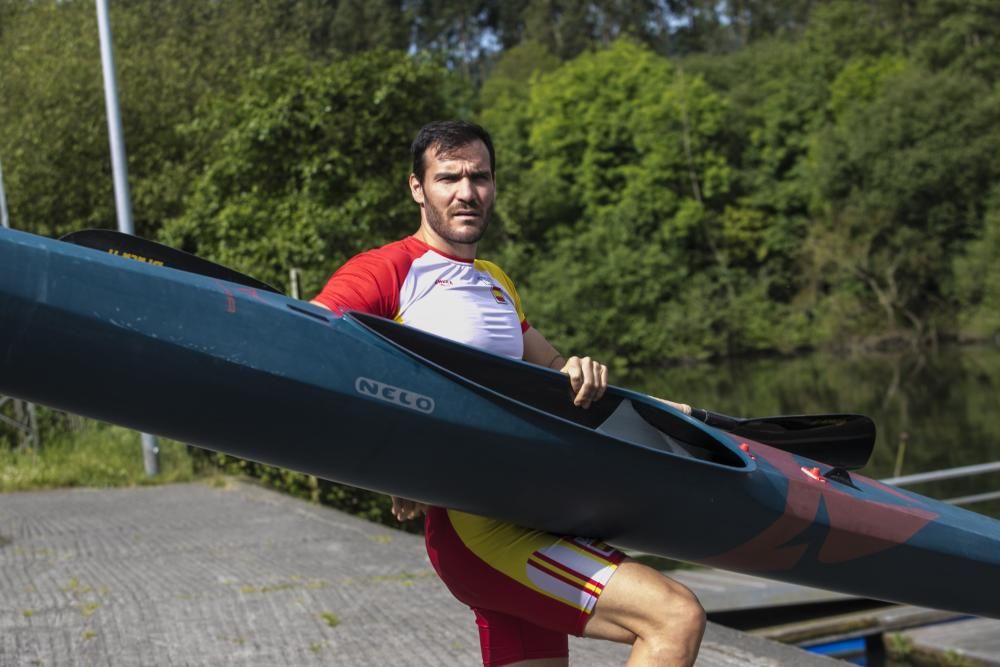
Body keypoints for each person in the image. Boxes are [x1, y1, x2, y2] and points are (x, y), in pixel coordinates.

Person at [311, 120, 705, 666]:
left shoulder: (495, 280)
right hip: (479, 525)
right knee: (674, 615)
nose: (467, 192)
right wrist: (394, 462)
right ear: (417, 188)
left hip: (534, 507)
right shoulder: (389, 270)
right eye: (449, 178)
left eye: (480, 177)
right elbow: (311, 346)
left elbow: (549, 369)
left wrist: (582, 370)